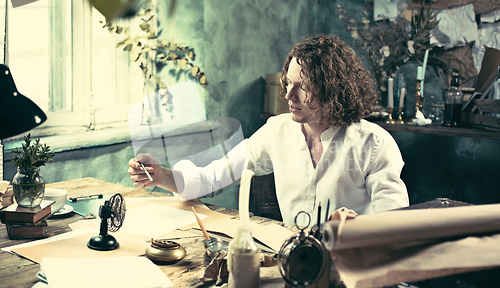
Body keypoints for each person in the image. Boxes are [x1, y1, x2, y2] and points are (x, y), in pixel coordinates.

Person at [128, 34, 409, 226]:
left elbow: (395, 225)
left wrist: (353, 228)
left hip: (349, 268)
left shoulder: (373, 143)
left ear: (332, 90)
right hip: (292, 264)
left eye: (304, 87)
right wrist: (160, 175)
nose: (288, 96)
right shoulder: (277, 130)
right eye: (288, 83)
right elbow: (213, 177)